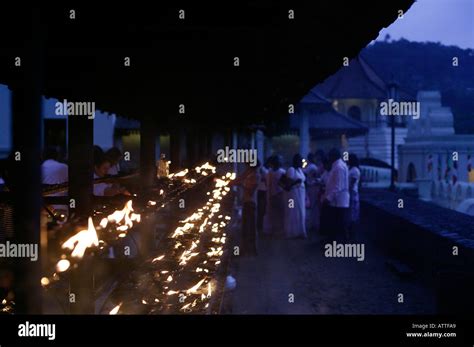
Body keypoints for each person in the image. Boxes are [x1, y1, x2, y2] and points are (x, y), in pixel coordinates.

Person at [322, 148, 350, 241]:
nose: (328, 158)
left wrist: (328, 198)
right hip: (336, 201)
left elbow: (338, 186)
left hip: (338, 201)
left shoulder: (339, 167)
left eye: (330, 155)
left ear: (333, 156)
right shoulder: (337, 165)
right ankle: (336, 242)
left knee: (338, 224)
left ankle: (338, 244)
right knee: (338, 224)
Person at [234, 162, 260, 255]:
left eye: (247, 165)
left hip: (250, 203)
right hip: (246, 202)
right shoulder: (248, 174)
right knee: (246, 227)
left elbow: (251, 191)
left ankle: (250, 250)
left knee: (250, 227)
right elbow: (237, 180)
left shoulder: (255, 176)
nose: (246, 167)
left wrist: (242, 185)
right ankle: (247, 249)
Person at [284, 154, 307, 239]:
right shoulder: (291, 170)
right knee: (292, 212)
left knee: (301, 212)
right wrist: (296, 182)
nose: (302, 162)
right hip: (293, 194)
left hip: (301, 194)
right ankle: (291, 232)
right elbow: (288, 185)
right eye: (300, 160)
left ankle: (300, 231)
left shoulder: (300, 170)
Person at [263, 155, 285, 237]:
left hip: (271, 195)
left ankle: (274, 230)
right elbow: (285, 184)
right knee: (278, 213)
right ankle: (278, 230)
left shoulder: (270, 172)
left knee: (274, 213)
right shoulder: (281, 172)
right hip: (278, 195)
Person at [304, 152, 321, 233]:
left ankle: (312, 224)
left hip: (311, 187)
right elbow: (315, 177)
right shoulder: (313, 166)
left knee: (312, 206)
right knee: (314, 206)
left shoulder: (310, 166)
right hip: (313, 187)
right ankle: (314, 224)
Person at [348, 153, 361, 239]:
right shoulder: (351, 169)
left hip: (352, 193)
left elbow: (352, 184)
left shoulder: (355, 170)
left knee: (353, 215)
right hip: (351, 193)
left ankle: (353, 235)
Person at [256, 159, 269, 233]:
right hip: (262, 191)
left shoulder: (260, 171)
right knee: (262, 209)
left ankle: (259, 225)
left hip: (260, 191)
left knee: (261, 209)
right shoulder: (263, 171)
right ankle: (260, 225)